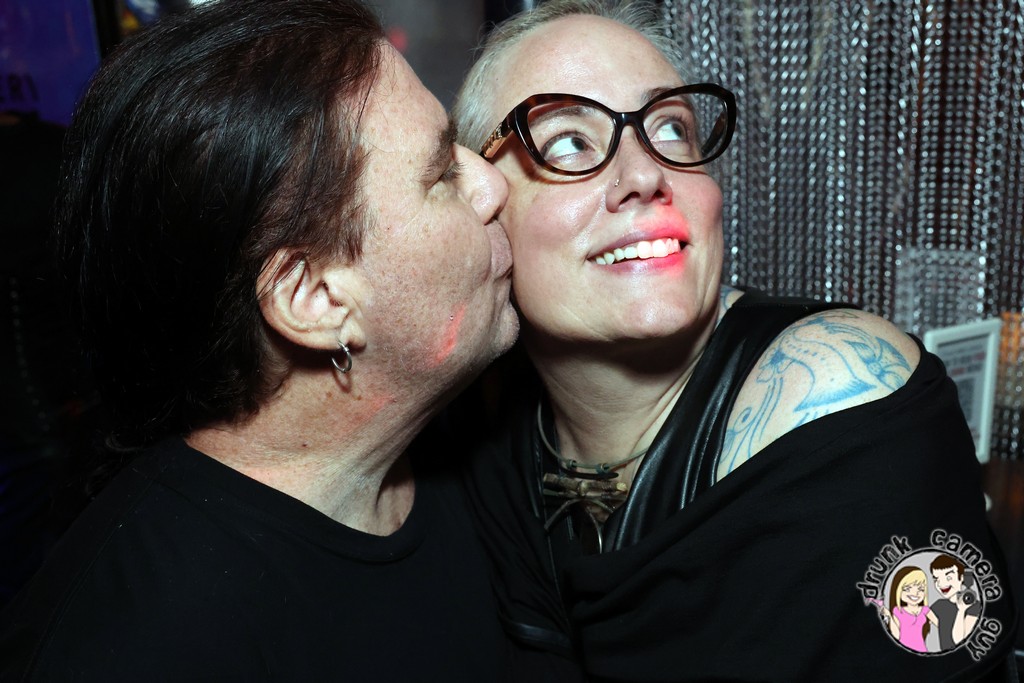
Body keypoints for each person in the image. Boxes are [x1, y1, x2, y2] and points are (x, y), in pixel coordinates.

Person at [449, 0, 1018, 680]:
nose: (645, 175)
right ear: (479, 205)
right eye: (569, 141)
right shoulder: (469, 432)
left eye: (670, 129)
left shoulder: (841, 395)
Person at [0, 0, 520, 679]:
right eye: (442, 175)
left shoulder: (471, 445)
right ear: (316, 299)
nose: (492, 183)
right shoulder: (142, 645)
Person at [931, 553, 983, 649]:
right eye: (936, 579)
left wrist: (961, 610)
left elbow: (959, 641)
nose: (941, 584)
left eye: (949, 577)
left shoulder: (974, 606)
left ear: (961, 578)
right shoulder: (939, 605)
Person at [887, 566, 938, 653]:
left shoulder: (925, 610)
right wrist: (888, 616)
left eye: (921, 589)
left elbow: (940, 625)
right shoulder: (897, 611)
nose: (915, 593)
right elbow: (896, 636)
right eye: (907, 589)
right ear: (898, 590)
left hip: (921, 650)